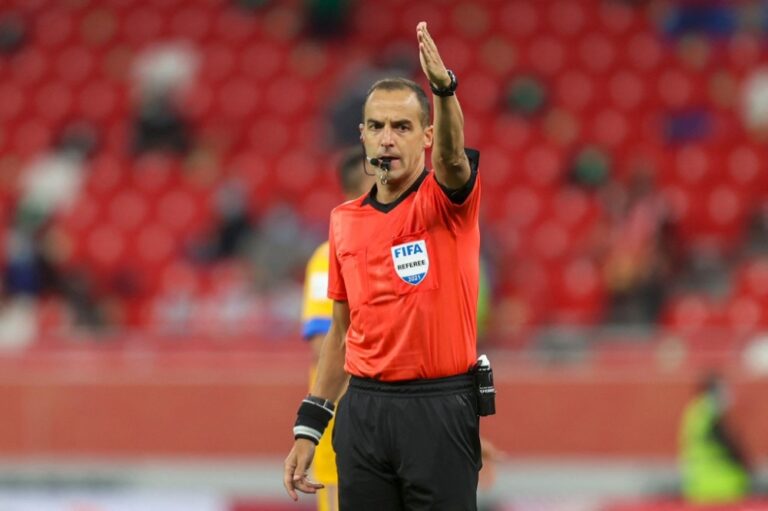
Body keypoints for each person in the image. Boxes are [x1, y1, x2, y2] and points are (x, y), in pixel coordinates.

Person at [284, 21, 487, 510]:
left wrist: (444, 91)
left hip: (438, 408)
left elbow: (453, 161)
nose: (387, 139)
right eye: (376, 127)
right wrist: (309, 426)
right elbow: (340, 332)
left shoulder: (445, 204)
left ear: (427, 136)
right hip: (364, 412)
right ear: (362, 135)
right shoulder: (344, 221)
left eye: (402, 127)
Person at [300, 146, 377, 511]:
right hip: (341, 416)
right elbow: (323, 343)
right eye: (374, 184)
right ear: (351, 194)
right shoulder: (327, 258)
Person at [679, 373, 751, 504]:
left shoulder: (696, 413)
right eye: (724, 389)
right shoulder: (709, 416)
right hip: (720, 486)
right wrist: (745, 463)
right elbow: (729, 445)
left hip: (701, 486)